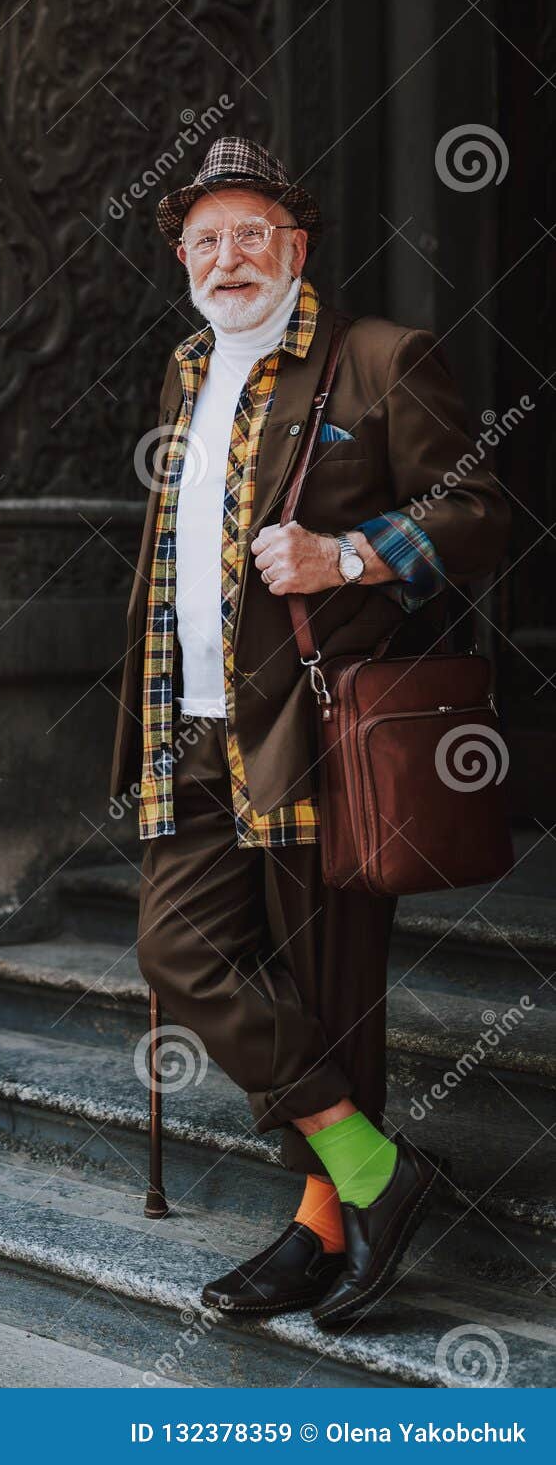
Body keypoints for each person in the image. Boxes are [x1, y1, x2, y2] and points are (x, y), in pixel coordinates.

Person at [109, 135, 510, 1327]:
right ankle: (381, 1170)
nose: (227, 257)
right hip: (191, 724)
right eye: (204, 239)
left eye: (251, 234)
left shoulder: (379, 360)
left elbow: (480, 511)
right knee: (178, 948)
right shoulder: (186, 369)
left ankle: (318, 1229)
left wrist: (350, 553)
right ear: (182, 258)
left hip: (315, 722)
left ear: (297, 245)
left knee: (329, 983)